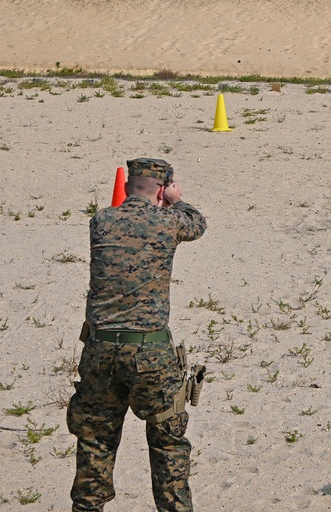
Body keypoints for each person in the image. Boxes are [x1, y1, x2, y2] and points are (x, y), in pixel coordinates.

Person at [68, 158, 207, 512]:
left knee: (95, 441)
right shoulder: (169, 221)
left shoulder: (101, 220)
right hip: (150, 353)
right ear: (161, 189)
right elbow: (197, 223)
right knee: (168, 443)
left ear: (129, 186)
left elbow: (125, 217)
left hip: (100, 350)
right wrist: (176, 199)